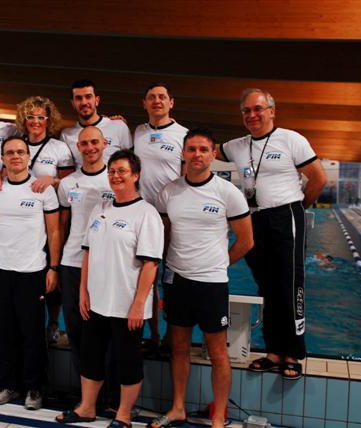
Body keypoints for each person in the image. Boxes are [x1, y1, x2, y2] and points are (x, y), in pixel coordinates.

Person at [218, 88, 327, 379]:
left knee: (289, 284)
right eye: (246, 110)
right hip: (255, 218)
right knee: (266, 286)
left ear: (271, 111)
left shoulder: (291, 139)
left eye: (258, 109)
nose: (252, 115)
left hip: (285, 215)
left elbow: (318, 178)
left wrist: (298, 208)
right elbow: (199, 145)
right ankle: (273, 352)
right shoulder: (237, 146)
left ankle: (293, 353)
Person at [150, 129, 253, 428]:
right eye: (192, 149)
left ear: (213, 154)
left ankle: (219, 416)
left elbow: (246, 241)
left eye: (203, 149)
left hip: (211, 283)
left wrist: (219, 264)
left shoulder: (227, 192)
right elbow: (163, 234)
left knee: (218, 352)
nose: (197, 155)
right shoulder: (169, 191)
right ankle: (178, 408)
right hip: (176, 280)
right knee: (179, 348)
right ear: (183, 153)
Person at [56, 150, 163, 427]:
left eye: (122, 171)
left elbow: (150, 264)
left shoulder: (146, 214)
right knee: (90, 355)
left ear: (135, 175)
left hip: (127, 303)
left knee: (127, 359)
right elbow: (88, 253)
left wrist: (139, 304)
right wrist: (83, 292)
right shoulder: (100, 209)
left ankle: (123, 415)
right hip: (97, 301)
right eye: (112, 171)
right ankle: (87, 407)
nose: (115, 176)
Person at [0, 137, 61, 410]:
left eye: (20, 152)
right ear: (2, 159)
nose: (15, 156)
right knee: (4, 332)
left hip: (31, 271)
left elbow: (54, 231)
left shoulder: (42, 189)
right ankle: (8, 383)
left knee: (32, 333)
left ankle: (34, 387)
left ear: (28, 157)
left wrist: (53, 267)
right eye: (9, 152)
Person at [134, 83, 189, 348]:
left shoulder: (183, 134)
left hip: (170, 217)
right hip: (142, 216)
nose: (157, 101)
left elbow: (188, 177)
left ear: (171, 102)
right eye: (151, 97)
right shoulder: (138, 132)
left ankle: (171, 335)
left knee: (172, 277)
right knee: (145, 277)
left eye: (162, 97)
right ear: (144, 104)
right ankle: (153, 335)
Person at [57, 126, 113, 373]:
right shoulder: (68, 183)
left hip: (106, 263)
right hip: (72, 262)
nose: (90, 148)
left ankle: (107, 388)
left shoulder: (115, 179)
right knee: (76, 328)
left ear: (104, 144)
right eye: (85, 144)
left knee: (104, 327)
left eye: (94, 142)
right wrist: (56, 264)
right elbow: (62, 225)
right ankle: (85, 386)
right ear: (78, 147)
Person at [60, 79, 132, 168]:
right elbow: (67, 170)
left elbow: (131, 164)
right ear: (73, 103)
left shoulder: (118, 126)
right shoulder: (66, 135)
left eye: (88, 97)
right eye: (78, 98)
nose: (84, 102)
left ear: (97, 100)